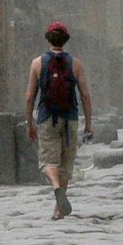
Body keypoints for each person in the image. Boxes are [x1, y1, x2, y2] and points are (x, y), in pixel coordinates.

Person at [25, 21, 93, 220]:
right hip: (70, 118)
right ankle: (58, 209)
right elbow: (86, 96)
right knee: (66, 163)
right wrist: (88, 123)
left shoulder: (37, 63)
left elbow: (30, 96)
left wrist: (29, 123)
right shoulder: (76, 63)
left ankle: (55, 187)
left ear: (48, 39)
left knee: (48, 162)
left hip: (47, 118)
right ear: (65, 41)